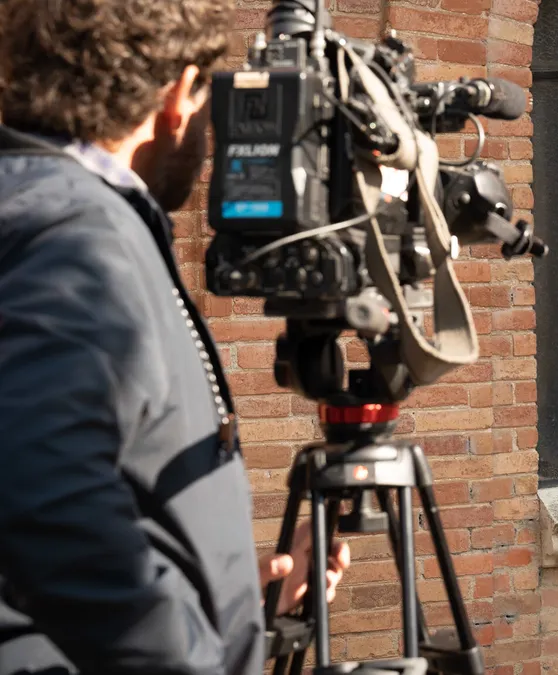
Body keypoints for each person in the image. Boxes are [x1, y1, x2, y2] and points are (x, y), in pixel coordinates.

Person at [0, 1, 349, 673]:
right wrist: (187, 656)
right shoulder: (75, 234)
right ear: (179, 94)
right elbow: (41, 491)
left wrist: (231, 609)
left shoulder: (45, 207)